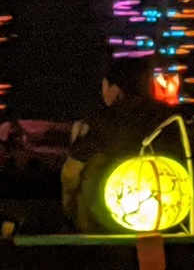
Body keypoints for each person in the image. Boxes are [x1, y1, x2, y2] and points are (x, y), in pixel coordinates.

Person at [62, 57, 168, 231]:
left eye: (104, 86)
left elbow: (71, 172)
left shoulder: (103, 122)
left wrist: (68, 203)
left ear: (115, 89)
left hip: (106, 219)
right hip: (162, 212)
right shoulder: (167, 119)